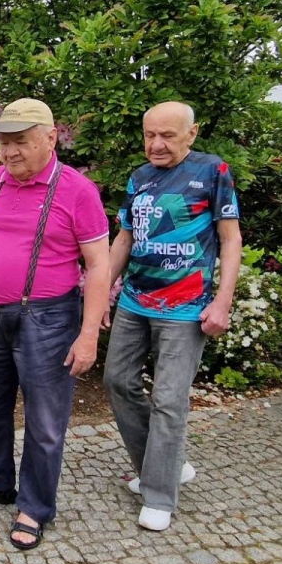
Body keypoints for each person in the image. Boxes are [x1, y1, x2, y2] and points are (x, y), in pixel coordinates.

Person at [0, 99, 111, 551]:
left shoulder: (78, 191)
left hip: (50, 318)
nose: (9, 152)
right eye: (3, 142)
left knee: (45, 419)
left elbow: (98, 266)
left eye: (20, 141)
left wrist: (89, 333)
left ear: (50, 137)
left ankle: (34, 506)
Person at [103, 101, 242, 532]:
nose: (156, 144)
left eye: (167, 135)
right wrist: (101, 292)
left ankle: (159, 492)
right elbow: (125, 238)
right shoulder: (139, 178)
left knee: (168, 399)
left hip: (185, 308)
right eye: (150, 135)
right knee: (117, 381)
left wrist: (222, 302)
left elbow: (230, 239)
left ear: (191, 134)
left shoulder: (212, 172)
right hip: (133, 301)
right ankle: (166, 463)